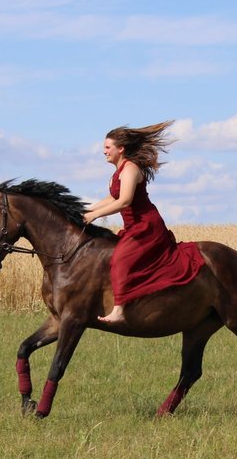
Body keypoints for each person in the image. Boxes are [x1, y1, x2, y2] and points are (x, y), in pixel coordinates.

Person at [82, 121, 205, 324]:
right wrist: (88, 209)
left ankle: (119, 309)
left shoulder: (130, 169)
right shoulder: (118, 172)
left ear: (120, 149)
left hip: (146, 226)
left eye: (107, 147)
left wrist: (94, 216)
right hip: (133, 226)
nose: (103, 152)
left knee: (121, 259)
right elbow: (112, 198)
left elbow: (124, 201)